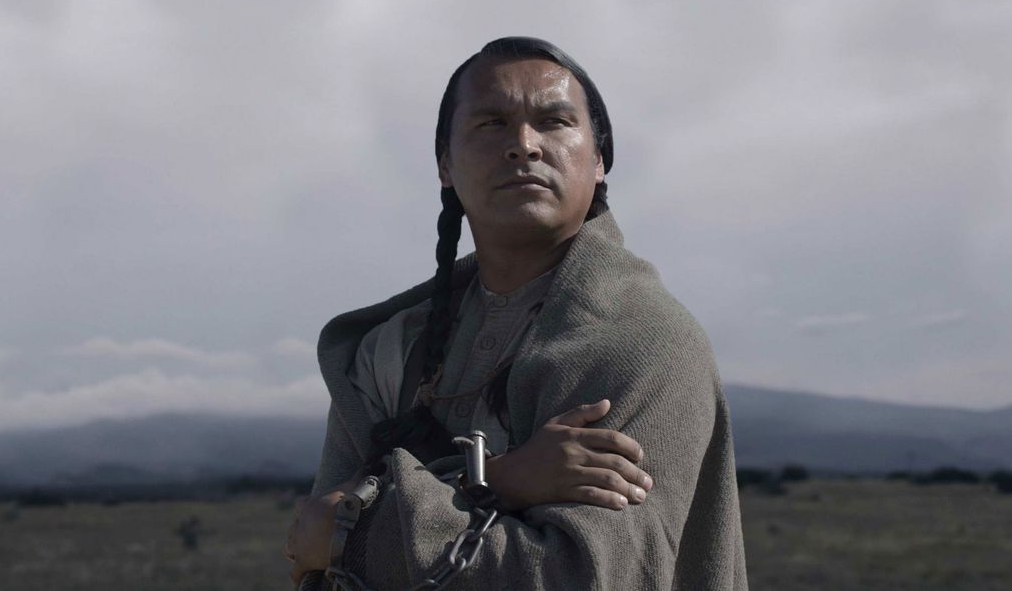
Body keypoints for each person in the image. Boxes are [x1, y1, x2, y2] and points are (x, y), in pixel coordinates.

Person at [284, 37, 747, 590]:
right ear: (445, 165)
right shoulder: (390, 350)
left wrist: (358, 536)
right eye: (491, 123)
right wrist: (501, 479)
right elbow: (316, 551)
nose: (524, 145)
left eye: (554, 122)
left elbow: (585, 577)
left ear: (599, 161)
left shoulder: (646, 342)